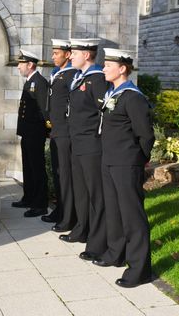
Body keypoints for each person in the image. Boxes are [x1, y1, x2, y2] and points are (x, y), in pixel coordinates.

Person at [95, 48, 155, 288]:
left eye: (108, 65)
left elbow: (146, 135)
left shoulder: (132, 96)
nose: (104, 69)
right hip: (109, 160)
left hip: (127, 162)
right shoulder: (114, 93)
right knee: (114, 211)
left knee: (132, 216)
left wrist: (140, 159)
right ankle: (116, 253)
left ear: (122, 69)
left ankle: (140, 269)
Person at [61, 38, 108, 263]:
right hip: (77, 142)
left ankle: (98, 242)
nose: (70, 56)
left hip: (91, 143)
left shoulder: (97, 78)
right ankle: (82, 229)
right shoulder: (79, 77)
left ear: (87, 55)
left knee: (95, 194)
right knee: (80, 190)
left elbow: (104, 112)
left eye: (75, 52)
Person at [44, 39, 78, 232]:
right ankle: (60, 210)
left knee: (65, 175)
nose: (53, 56)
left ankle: (68, 216)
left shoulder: (72, 75)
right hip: (57, 130)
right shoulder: (58, 74)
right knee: (58, 174)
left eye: (56, 53)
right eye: (53, 53)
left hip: (65, 131)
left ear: (67, 54)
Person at [12, 50, 49, 218]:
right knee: (28, 167)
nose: (18, 67)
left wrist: (45, 131)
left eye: (21, 63)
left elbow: (44, 110)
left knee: (37, 168)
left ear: (30, 65)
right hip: (27, 132)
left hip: (36, 132)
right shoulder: (29, 81)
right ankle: (28, 198)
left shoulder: (39, 82)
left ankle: (40, 204)